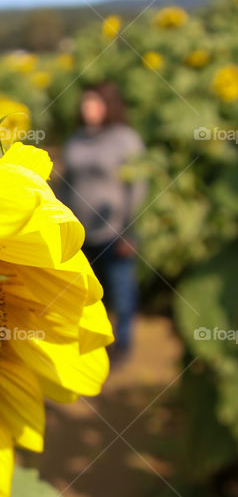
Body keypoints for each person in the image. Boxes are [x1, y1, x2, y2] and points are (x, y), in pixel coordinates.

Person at [60, 82, 146, 362]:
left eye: (95, 102)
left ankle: (123, 345)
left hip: (114, 231)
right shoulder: (76, 139)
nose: (88, 108)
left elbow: (137, 186)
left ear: (109, 105)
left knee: (121, 292)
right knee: (87, 295)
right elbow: (66, 183)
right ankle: (93, 343)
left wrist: (130, 230)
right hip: (80, 234)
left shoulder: (124, 139)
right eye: (85, 102)